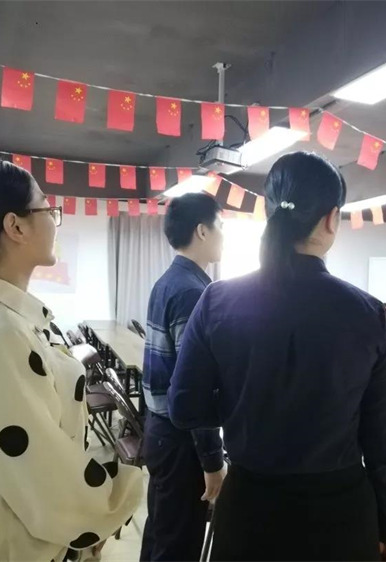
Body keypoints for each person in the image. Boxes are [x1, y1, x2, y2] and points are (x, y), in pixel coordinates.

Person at [168, 152, 386, 562]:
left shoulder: (217, 301)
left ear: (270, 211)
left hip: (248, 514)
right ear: (331, 219)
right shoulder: (368, 314)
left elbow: (184, 407)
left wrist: (243, 402)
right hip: (339, 520)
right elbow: (385, 443)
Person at [0, 159, 142, 561]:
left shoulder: (3, 319)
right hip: (15, 546)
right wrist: (104, 509)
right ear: (16, 226)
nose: (54, 221)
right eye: (47, 208)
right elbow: (38, 473)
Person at [139, 193, 226, 562]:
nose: (222, 236)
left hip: (159, 432)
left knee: (161, 534)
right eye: (220, 226)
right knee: (177, 546)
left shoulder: (168, 282)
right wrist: (212, 461)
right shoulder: (194, 292)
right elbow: (194, 388)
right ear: (202, 231)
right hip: (181, 441)